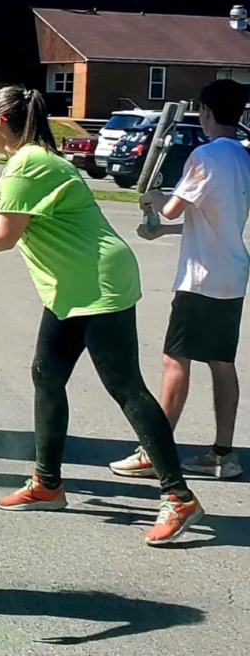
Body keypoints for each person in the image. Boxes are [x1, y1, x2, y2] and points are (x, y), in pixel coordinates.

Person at [0, 85, 204, 546]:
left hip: (98, 282)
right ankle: (47, 484)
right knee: (46, 375)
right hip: (70, 286)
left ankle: (179, 496)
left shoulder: (31, 163)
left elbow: (2, 237)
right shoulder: (22, 163)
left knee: (125, 387)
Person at [111, 78, 250, 481]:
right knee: (221, 362)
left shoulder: (206, 155)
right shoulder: (242, 157)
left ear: (206, 111)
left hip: (201, 279)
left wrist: (153, 199)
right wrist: (163, 231)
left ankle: (155, 451)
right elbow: (209, 218)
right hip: (231, 273)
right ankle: (223, 454)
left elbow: (172, 207)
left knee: (175, 360)